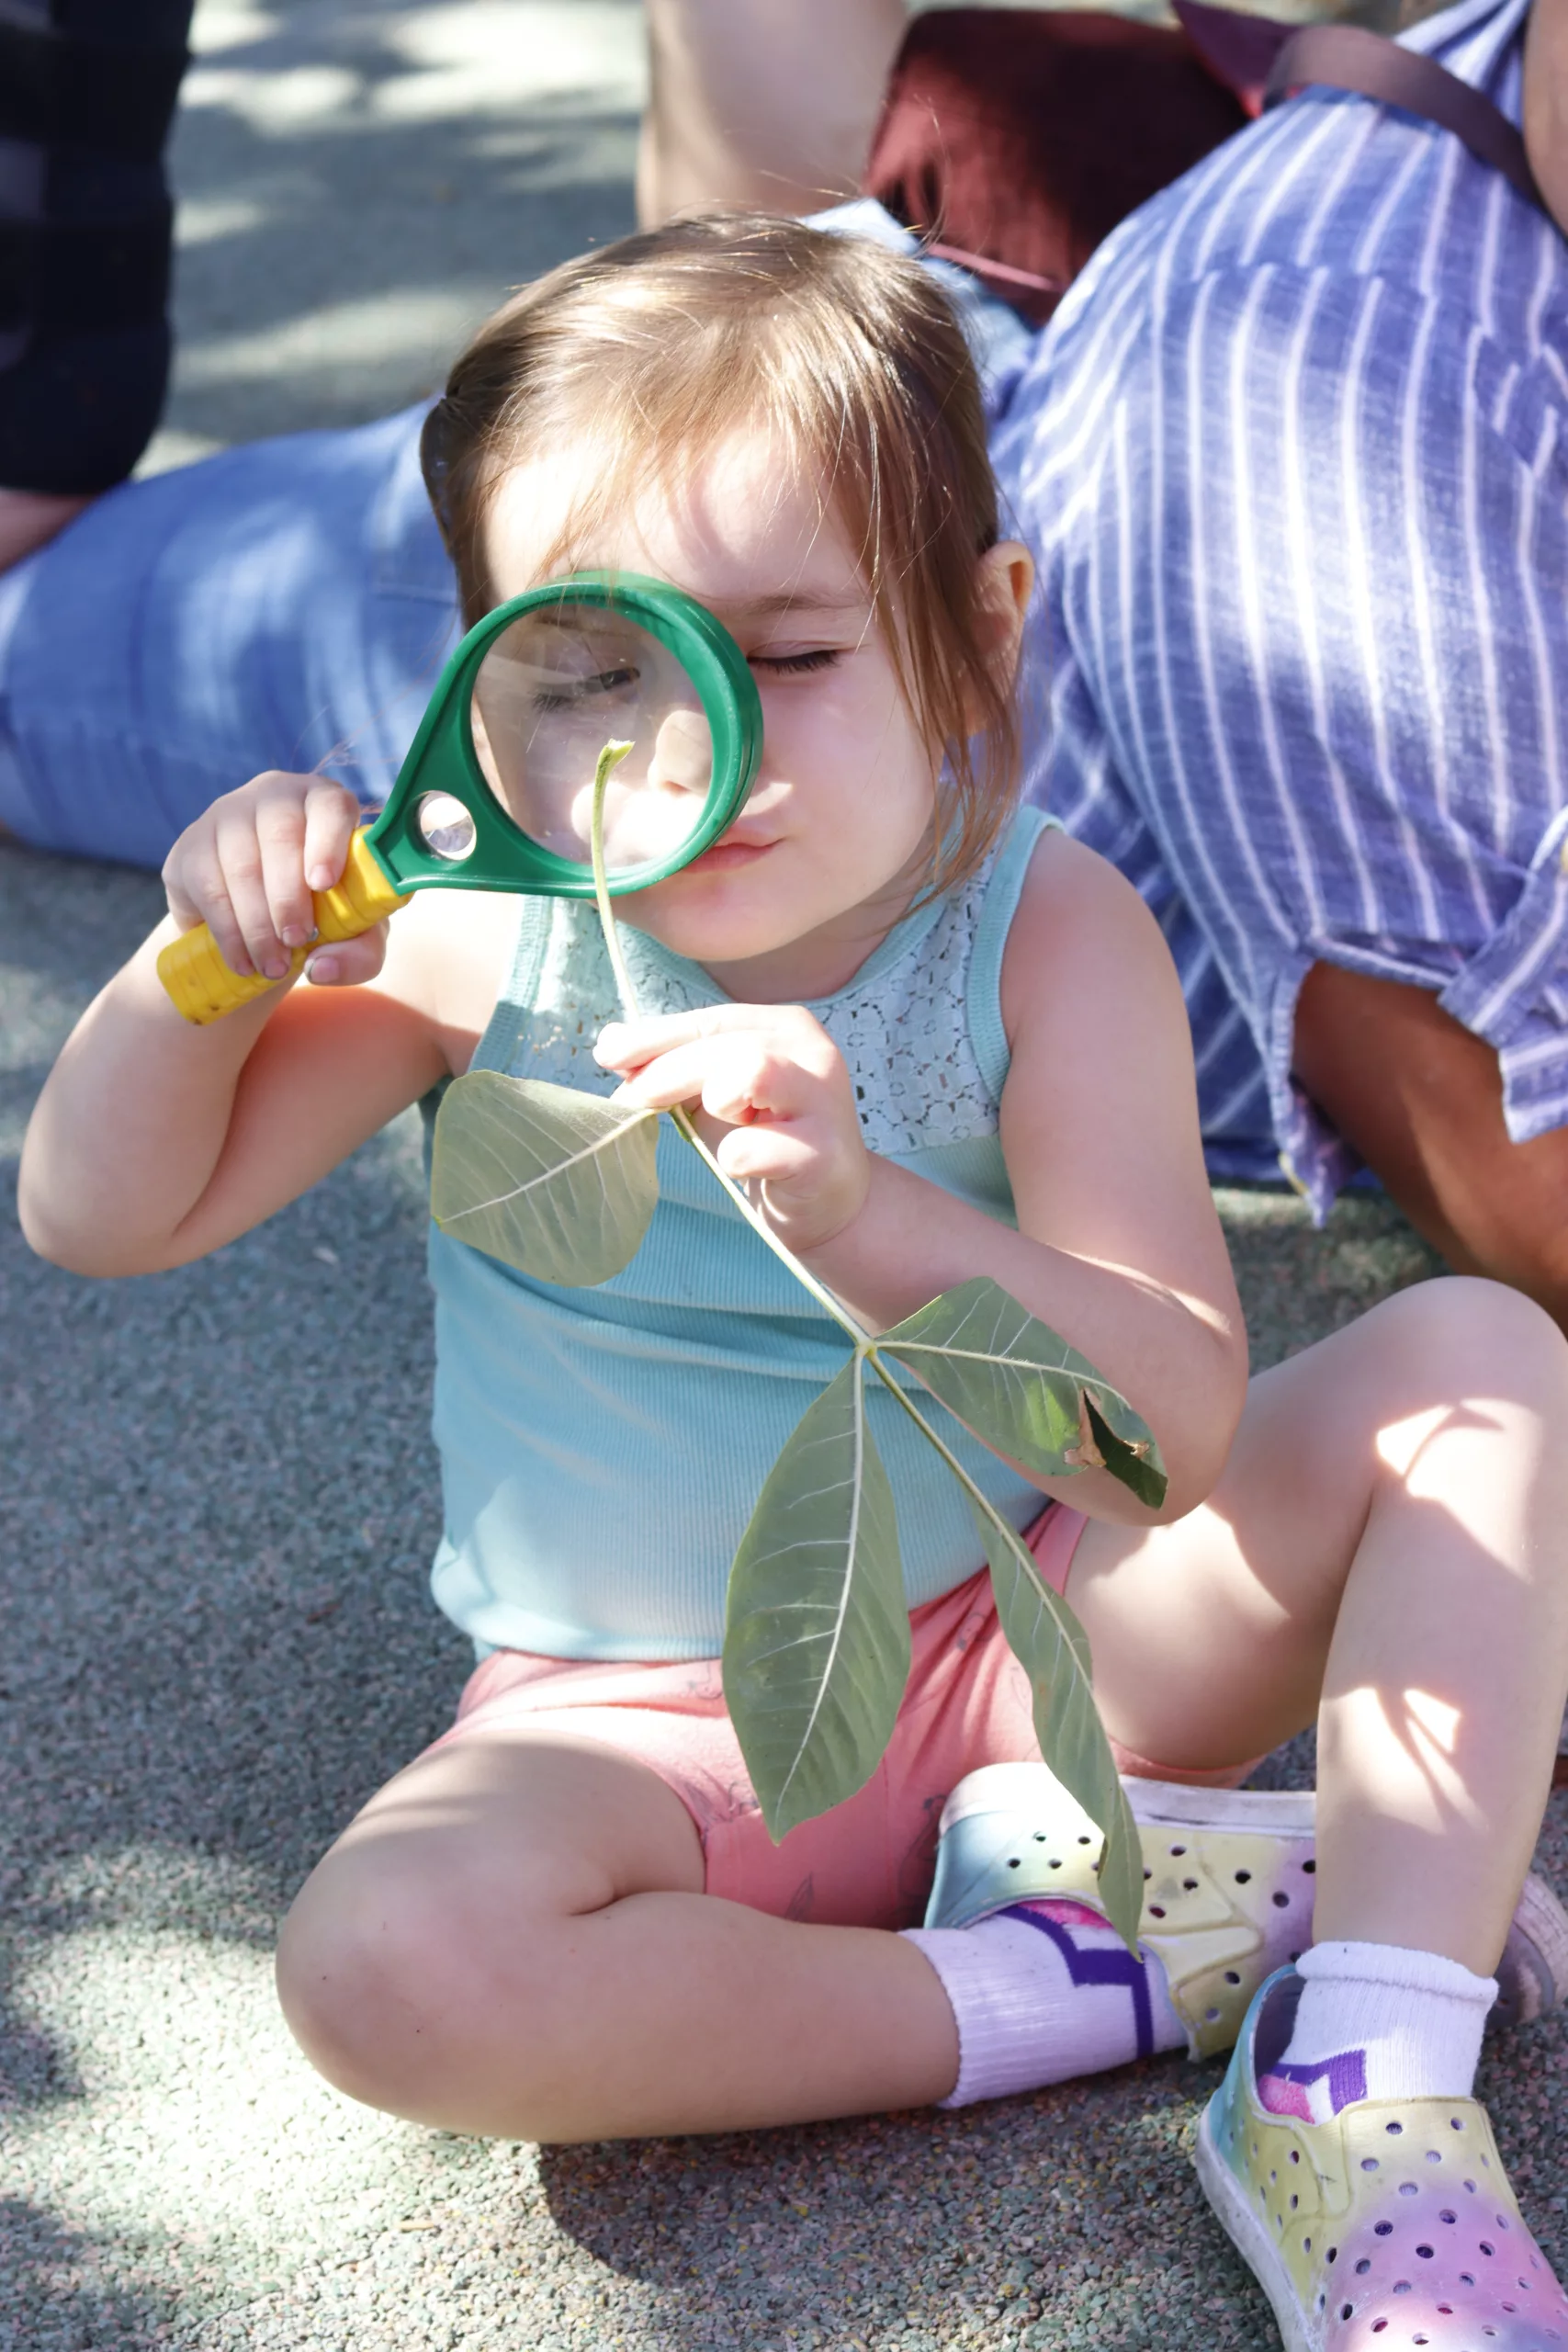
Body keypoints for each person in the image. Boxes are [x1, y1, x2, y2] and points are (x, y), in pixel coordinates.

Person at [19, 215, 1568, 2349]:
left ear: (976, 633)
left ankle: (1362, 2072)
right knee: (386, 1967)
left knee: (1480, 1361)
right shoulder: (481, 932)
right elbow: (107, 1213)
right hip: (634, 1736)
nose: (696, 746)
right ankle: (1097, 1977)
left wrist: (870, 1211)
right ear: (486, 680)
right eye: (596, 669)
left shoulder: (1045, 928)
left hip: (1044, 1652)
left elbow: (1164, 1443)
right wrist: (206, 967)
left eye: (797, 653)